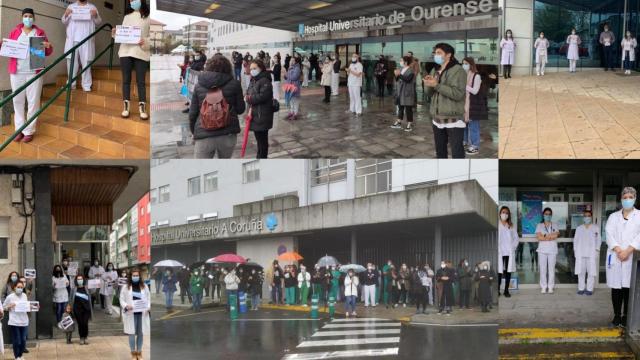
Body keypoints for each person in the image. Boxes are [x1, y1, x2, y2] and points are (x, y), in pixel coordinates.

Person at [3, 8, 53, 143]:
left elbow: (47, 52)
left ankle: (29, 131)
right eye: (25, 16)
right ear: (21, 18)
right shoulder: (15, 32)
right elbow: (8, 49)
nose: (28, 18)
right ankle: (19, 130)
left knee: (33, 102)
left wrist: (48, 46)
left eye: (30, 16)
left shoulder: (39, 32)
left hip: (34, 73)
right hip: (17, 72)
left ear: (34, 18)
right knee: (17, 101)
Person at [189, 54, 245, 158]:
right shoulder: (235, 84)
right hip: (228, 134)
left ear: (208, 67)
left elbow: (192, 113)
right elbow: (241, 109)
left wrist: (194, 132)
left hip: (204, 133)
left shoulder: (198, 85)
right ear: (228, 68)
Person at [424, 43, 467, 159]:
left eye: (439, 53)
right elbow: (429, 94)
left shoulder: (458, 70)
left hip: (453, 119)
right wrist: (428, 84)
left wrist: (437, 85)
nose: (436, 55)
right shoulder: (435, 69)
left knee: (457, 153)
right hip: (436, 119)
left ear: (448, 55)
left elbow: (458, 94)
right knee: (440, 153)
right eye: (435, 53)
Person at [605, 187, 640, 327]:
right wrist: (619, 250)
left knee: (628, 288)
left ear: (635, 198)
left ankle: (627, 316)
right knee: (616, 288)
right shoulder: (613, 216)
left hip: (632, 257)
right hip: (616, 255)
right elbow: (608, 234)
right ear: (621, 199)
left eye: (630, 197)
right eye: (625, 197)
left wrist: (628, 250)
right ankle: (617, 316)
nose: (627, 200)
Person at [112, 0, 150, 120]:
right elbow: (123, 33)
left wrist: (145, 41)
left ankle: (142, 108)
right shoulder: (127, 16)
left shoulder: (149, 17)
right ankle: (126, 107)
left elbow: (153, 36)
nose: (133, 1)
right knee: (126, 80)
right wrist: (115, 33)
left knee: (141, 82)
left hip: (140, 52)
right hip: (125, 51)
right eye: (131, 0)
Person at [61, 0, 101, 92]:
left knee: (86, 62)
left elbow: (98, 21)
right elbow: (64, 21)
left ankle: (86, 85)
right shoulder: (71, 7)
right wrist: (66, 14)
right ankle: (71, 84)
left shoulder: (92, 7)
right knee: (71, 62)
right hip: (72, 39)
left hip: (86, 40)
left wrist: (95, 15)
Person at [245, 59, 274, 159]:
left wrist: (249, 98)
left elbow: (263, 96)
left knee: (262, 140)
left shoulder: (265, 80)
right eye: (251, 68)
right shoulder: (253, 79)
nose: (252, 70)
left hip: (262, 115)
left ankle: (262, 157)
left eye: (255, 68)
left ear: (260, 68)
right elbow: (248, 92)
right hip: (254, 115)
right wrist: (247, 96)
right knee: (259, 140)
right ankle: (259, 155)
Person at [120, 269, 150, 360]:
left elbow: (148, 298)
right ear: (131, 276)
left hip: (142, 313)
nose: (135, 277)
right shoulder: (125, 287)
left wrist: (148, 307)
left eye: (137, 275)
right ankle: (133, 353)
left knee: (140, 333)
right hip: (131, 313)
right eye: (134, 275)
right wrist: (126, 306)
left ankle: (139, 352)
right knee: (131, 333)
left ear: (139, 276)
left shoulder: (144, 286)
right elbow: (122, 299)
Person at [462, 57, 487, 155]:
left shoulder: (476, 76)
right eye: (463, 63)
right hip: (464, 104)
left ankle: (475, 146)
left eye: (466, 63)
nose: (464, 65)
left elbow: (475, 91)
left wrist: (464, 86)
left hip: (473, 105)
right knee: (464, 125)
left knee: (473, 126)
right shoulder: (464, 75)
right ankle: (464, 141)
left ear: (471, 64)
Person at [573, 209, 600, 296]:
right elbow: (575, 240)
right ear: (583, 217)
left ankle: (589, 289)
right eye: (585, 216)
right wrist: (575, 251)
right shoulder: (579, 228)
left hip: (591, 253)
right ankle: (581, 288)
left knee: (591, 272)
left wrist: (597, 250)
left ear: (591, 217)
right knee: (581, 272)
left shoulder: (596, 228)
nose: (587, 217)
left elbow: (599, 240)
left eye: (589, 216)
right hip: (580, 253)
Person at [536, 207, 560, 294]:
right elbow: (539, 237)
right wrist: (549, 236)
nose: (548, 215)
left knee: (551, 269)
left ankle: (550, 287)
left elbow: (556, 236)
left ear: (551, 215)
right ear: (543, 215)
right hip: (542, 250)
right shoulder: (539, 225)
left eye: (549, 214)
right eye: (546, 214)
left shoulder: (555, 225)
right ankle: (543, 286)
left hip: (552, 250)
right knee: (542, 269)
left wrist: (544, 236)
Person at [390, 55, 416, 132]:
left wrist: (399, 75)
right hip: (400, 92)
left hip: (407, 92)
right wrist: (396, 75)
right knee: (400, 107)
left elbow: (408, 79)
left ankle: (409, 124)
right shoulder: (401, 69)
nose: (400, 62)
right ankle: (399, 122)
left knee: (408, 109)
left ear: (406, 62)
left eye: (401, 60)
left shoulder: (411, 70)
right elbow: (398, 79)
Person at [4, 281, 28, 358]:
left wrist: (32, 307)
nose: (20, 289)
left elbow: (26, 306)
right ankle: (17, 356)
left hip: (24, 321)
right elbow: (4, 307)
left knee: (23, 341)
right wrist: (9, 306)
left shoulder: (24, 295)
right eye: (18, 287)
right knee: (17, 341)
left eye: (21, 287)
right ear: (14, 287)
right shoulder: (10, 297)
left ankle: (20, 355)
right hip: (14, 322)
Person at [498, 206, 519, 298]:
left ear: (508, 215)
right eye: (503, 212)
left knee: (508, 272)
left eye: (506, 213)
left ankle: (506, 290)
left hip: (509, 252)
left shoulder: (511, 225)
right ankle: (497, 290)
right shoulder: (497, 224)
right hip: (500, 252)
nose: (504, 214)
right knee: (499, 272)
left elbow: (516, 238)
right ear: (500, 213)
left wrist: (513, 247)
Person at [73, 274, 92, 345]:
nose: (79, 280)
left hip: (86, 309)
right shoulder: (74, 289)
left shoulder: (87, 288)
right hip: (77, 309)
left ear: (83, 280)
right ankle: (81, 337)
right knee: (80, 323)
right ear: (76, 280)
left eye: (81, 279)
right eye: (78, 279)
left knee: (85, 323)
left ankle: (86, 337)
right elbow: (71, 299)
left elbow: (92, 293)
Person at [284, 56, 302, 120]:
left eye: (293, 60)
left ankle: (295, 113)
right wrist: (287, 75)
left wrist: (287, 75)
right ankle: (291, 112)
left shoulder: (297, 68)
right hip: (289, 86)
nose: (291, 61)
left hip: (295, 87)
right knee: (291, 100)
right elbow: (286, 76)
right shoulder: (290, 67)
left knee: (295, 101)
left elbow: (294, 77)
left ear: (296, 62)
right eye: (290, 60)